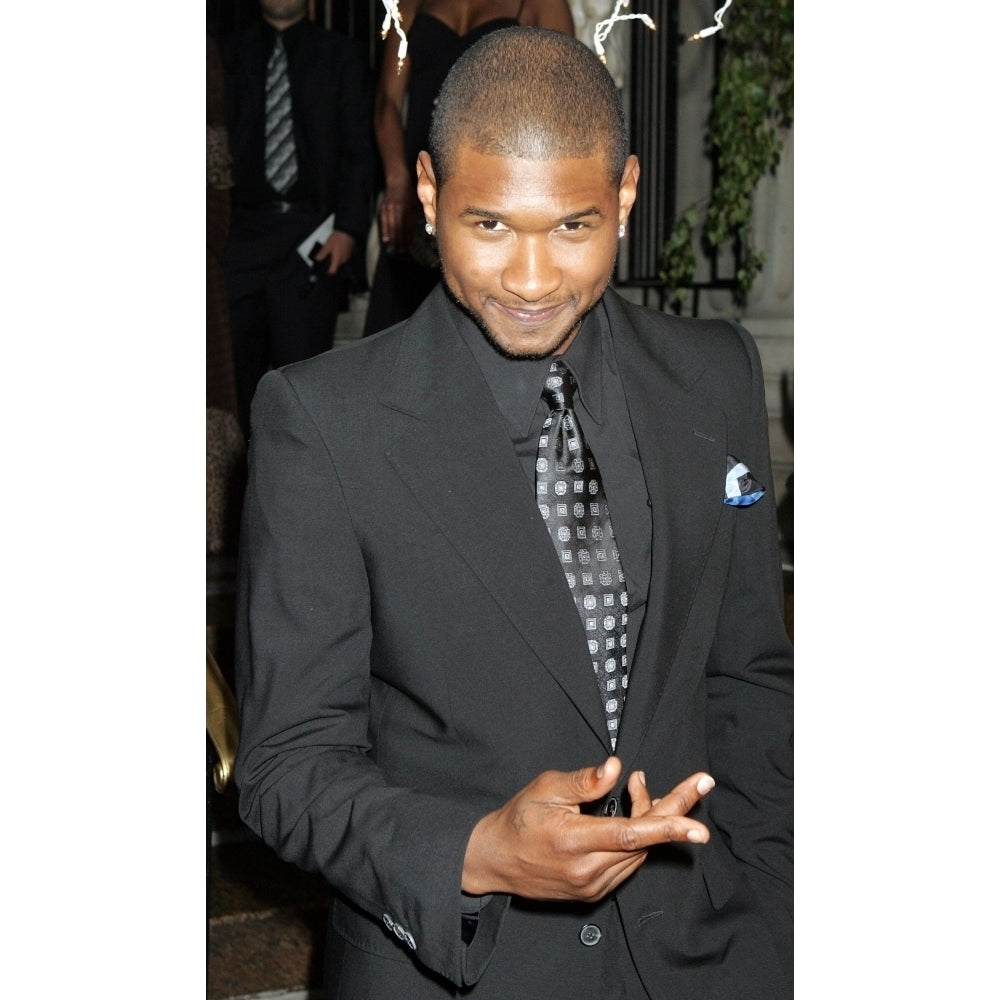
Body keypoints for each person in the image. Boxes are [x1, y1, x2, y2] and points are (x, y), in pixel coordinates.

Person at [235, 26, 792, 1000]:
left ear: (622, 193)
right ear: (426, 192)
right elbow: (284, 768)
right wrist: (480, 850)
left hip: (709, 958)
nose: (531, 282)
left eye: (572, 226)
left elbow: (747, 680)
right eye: (488, 225)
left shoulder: (714, 378)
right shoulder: (320, 421)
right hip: (456, 970)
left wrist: (778, 927)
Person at [361, 0, 575, 337]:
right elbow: (387, 102)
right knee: (398, 328)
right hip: (421, 189)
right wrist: (398, 178)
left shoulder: (542, 4)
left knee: (474, 323)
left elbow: (564, 104)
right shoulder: (409, 3)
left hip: (496, 189)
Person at [221, 0, 374, 435]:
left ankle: (298, 491)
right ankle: (237, 494)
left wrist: (348, 229)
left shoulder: (340, 55)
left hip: (312, 239)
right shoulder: (223, 53)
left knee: (305, 389)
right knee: (233, 391)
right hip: (238, 239)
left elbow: (358, 151)